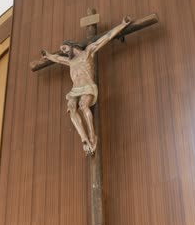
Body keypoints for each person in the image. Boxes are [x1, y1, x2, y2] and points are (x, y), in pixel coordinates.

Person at [41, 16, 132, 155]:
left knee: (84, 106)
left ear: (71, 45)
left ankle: (92, 136)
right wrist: (47, 55)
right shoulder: (70, 61)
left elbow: (106, 37)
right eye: (62, 50)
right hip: (75, 89)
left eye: (64, 48)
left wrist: (122, 25)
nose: (63, 51)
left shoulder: (87, 52)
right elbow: (57, 58)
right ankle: (84, 139)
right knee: (72, 109)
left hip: (87, 85)